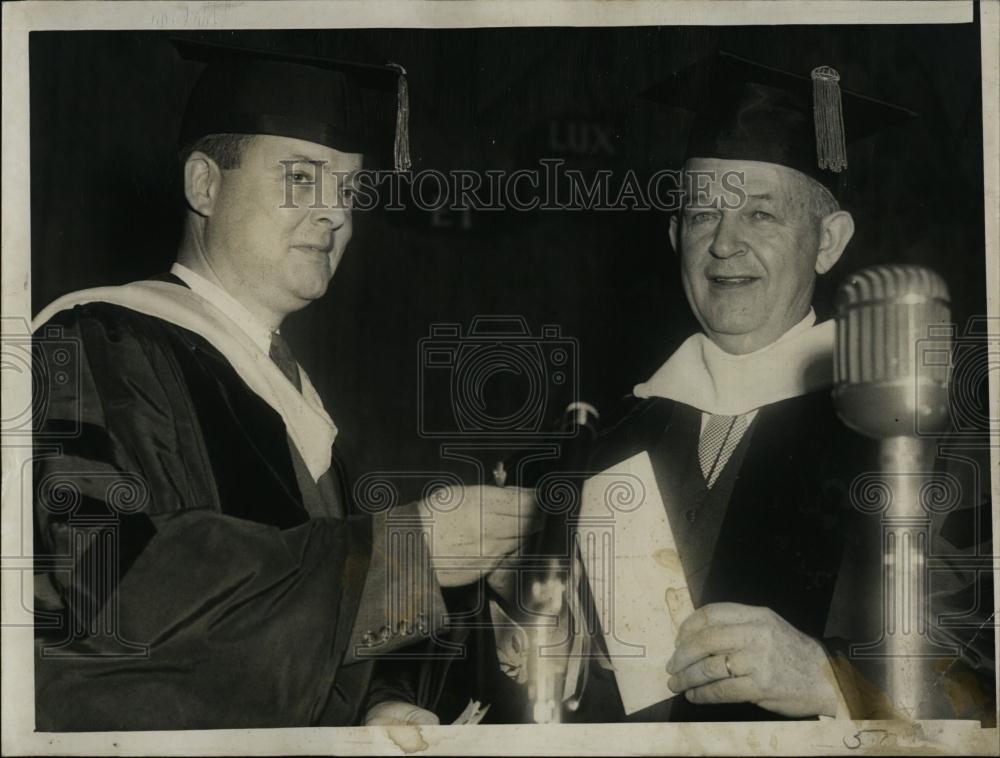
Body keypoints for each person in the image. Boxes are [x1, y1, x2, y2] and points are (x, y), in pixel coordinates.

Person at [31, 39, 536, 730]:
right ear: (204, 186)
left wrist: (379, 703)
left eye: (350, 190)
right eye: (302, 178)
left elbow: (317, 635)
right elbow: (111, 588)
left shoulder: (297, 402)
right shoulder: (93, 345)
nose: (335, 214)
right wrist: (399, 551)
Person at [492, 51, 994, 724]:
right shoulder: (608, 439)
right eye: (702, 214)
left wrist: (832, 680)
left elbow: (982, 674)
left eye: (760, 214)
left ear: (828, 241)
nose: (723, 244)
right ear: (674, 236)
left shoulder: (914, 435)